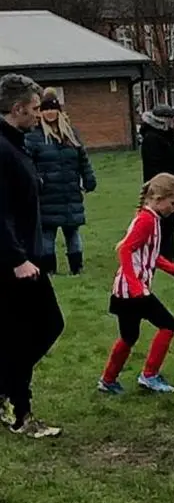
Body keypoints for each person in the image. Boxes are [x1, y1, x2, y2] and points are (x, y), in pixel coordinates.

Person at [0, 74, 65, 438]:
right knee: (39, 326)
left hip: (27, 255)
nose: (39, 115)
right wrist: (16, 258)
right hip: (14, 262)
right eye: (35, 108)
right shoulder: (2, 148)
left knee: (25, 331)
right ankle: (19, 410)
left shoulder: (17, 144)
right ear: (17, 108)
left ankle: (12, 398)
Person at [99, 173, 174, 395]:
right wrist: (135, 286)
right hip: (132, 292)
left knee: (129, 336)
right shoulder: (146, 220)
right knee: (169, 324)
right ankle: (149, 375)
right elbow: (124, 249)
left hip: (125, 291)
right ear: (158, 198)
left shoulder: (151, 218)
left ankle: (107, 380)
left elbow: (148, 254)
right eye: (173, 203)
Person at [26, 92, 97, 275]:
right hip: (46, 194)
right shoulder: (35, 136)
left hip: (69, 192)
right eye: (46, 109)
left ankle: (77, 267)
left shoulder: (71, 134)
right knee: (47, 234)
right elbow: (28, 163)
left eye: (53, 109)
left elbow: (83, 159)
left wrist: (89, 179)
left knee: (72, 232)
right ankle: (49, 269)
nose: (50, 113)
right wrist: (37, 182)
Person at [138, 105, 174, 261]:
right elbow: (154, 166)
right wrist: (163, 187)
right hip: (162, 188)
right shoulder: (152, 139)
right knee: (163, 224)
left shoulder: (165, 136)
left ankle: (167, 255)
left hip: (171, 185)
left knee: (169, 224)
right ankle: (162, 256)